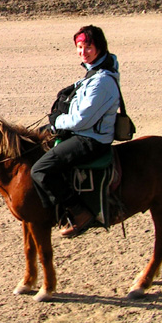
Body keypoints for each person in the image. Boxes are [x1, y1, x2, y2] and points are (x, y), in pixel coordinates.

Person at [31, 25, 121, 238]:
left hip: (91, 139)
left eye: (88, 47)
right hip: (83, 132)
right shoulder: (94, 74)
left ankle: (79, 214)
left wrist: (56, 123)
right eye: (79, 47)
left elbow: (81, 120)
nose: (83, 52)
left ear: (99, 47)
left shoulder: (102, 81)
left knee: (40, 170)